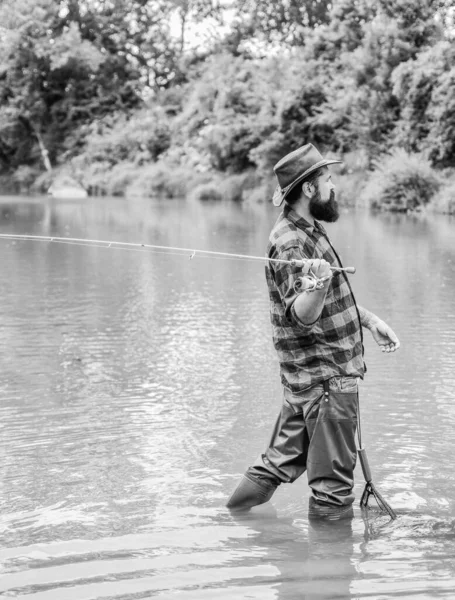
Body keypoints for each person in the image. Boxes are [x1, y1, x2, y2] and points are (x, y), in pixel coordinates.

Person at [226, 143, 400, 514]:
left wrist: (369, 321)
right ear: (308, 189)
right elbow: (302, 315)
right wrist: (316, 286)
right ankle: (330, 569)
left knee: (277, 464)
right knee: (333, 491)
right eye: (328, 179)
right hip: (326, 382)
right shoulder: (291, 241)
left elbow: (332, 300)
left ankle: (229, 523)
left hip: (305, 380)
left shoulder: (306, 228)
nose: (334, 187)